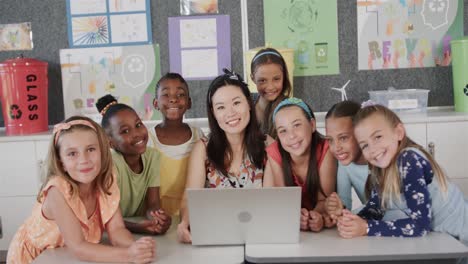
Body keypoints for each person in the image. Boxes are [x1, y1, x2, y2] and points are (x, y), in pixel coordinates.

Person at [7, 116, 155, 264]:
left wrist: (136, 247)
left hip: (66, 256)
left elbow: (117, 230)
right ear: (62, 163)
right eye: (72, 153)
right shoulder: (57, 191)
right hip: (37, 257)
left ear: (102, 152)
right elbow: (78, 247)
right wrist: (128, 256)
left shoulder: (106, 181)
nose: (84, 160)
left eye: (90, 149)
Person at [337, 104, 468, 248]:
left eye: (378, 137)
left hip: (462, 238)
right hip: (444, 240)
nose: (373, 149)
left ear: (399, 132)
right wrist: (350, 220)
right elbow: (376, 209)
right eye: (365, 145)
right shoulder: (380, 169)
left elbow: (420, 226)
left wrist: (367, 228)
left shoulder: (408, 159)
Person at [177, 69, 267, 243]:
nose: (230, 113)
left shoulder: (268, 145)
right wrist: (185, 222)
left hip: (259, 238)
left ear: (249, 103)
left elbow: (275, 200)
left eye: (236, 103)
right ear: (213, 112)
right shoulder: (202, 149)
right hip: (216, 237)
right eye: (221, 107)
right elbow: (189, 198)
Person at [96, 94, 171, 234]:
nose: (136, 133)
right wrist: (139, 228)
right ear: (110, 142)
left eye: (138, 125)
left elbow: (153, 204)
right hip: (108, 233)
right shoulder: (111, 164)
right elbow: (106, 217)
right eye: (125, 131)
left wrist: (158, 219)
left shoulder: (152, 157)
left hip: (129, 228)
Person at [265, 97, 337, 232]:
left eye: (297, 125)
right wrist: (295, 217)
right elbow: (280, 200)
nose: (291, 136)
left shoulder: (326, 149)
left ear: (312, 125)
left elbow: (324, 200)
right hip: (288, 228)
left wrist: (314, 217)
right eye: (283, 131)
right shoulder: (274, 153)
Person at [150, 73, 204, 216]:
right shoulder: (148, 138)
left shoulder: (199, 136)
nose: (173, 99)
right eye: (166, 94)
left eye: (180, 94)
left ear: (189, 102)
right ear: (155, 103)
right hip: (159, 217)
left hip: (192, 216)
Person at [324, 101, 368, 218]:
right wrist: (336, 208)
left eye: (343, 138)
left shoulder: (381, 158)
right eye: (330, 140)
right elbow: (344, 205)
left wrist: (347, 214)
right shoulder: (344, 163)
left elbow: (386, 207)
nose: (336, 147)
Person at [250, 47, 292, 140]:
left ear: (284, 76)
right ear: (253, 78)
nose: (270, 87)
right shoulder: (245, 103)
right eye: (262, 80)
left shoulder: (290, 108)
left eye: (276, 79)